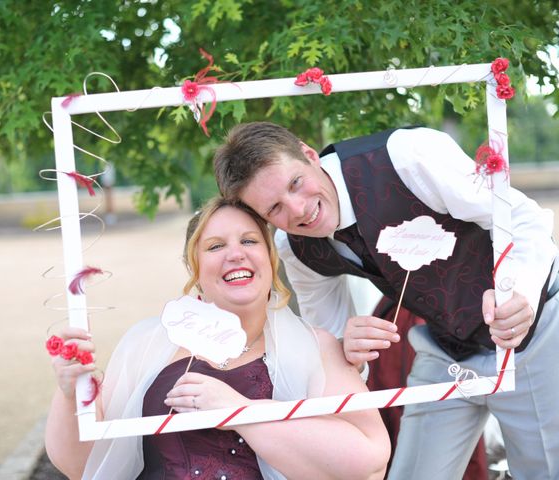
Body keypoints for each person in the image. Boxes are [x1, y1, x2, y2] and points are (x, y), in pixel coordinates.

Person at [214, 122, 559, 480]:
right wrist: (349, 348)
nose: (298, 210)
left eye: (295, 183)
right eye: (275, 209)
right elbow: (328, 343)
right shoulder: (296, 249)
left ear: (308, 154)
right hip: (443, 349)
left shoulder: (408, 156)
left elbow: (521, 219)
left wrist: (519, 290)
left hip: (535, 335)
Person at [45, 197, 390, 480]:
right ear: (194, 266)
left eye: (249, 241)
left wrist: (240, 411)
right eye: (215, 246)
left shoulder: (317, 348)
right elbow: (80, 467)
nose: (235, 254)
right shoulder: (145, 343)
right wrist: (71, 395)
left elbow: (370, 462)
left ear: (269, 258)